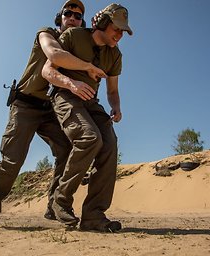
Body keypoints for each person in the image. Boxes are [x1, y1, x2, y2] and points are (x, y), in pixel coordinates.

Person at [0, 0, 107, 229]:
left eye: (78, 16)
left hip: (52, 109)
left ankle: (53, 206)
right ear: (60, 17)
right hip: (26, 105)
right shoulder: (46, 34)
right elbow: (53, 54)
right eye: (68, 13)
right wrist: (87, 67)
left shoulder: (77, 45)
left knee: (68, 149)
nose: (73, 18)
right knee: (12, 160)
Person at [42, 3, 133, 232]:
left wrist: (116, 107)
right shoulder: (74, 35)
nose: (119, 35)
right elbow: (48, 71)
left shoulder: (115, 55)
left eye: (123, 31)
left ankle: (94, 214)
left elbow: (112, 91)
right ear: (102, 24)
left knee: (109, 144)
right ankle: (60, 200)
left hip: (91, 102)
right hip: (65, 94)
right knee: (90, 138)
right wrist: (72, 84)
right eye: (116, 29)